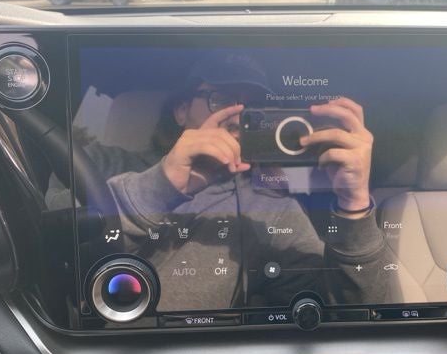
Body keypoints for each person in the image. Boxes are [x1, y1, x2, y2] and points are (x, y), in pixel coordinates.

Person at [71, 52, 390, 310]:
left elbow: (344, 311)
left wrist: (353, 205)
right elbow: (53, 238)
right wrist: (160, 186)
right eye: (222, 99)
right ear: (182, 110)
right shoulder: (97, 163)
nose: (238, 117)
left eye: (253, 108)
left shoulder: (269, 209)